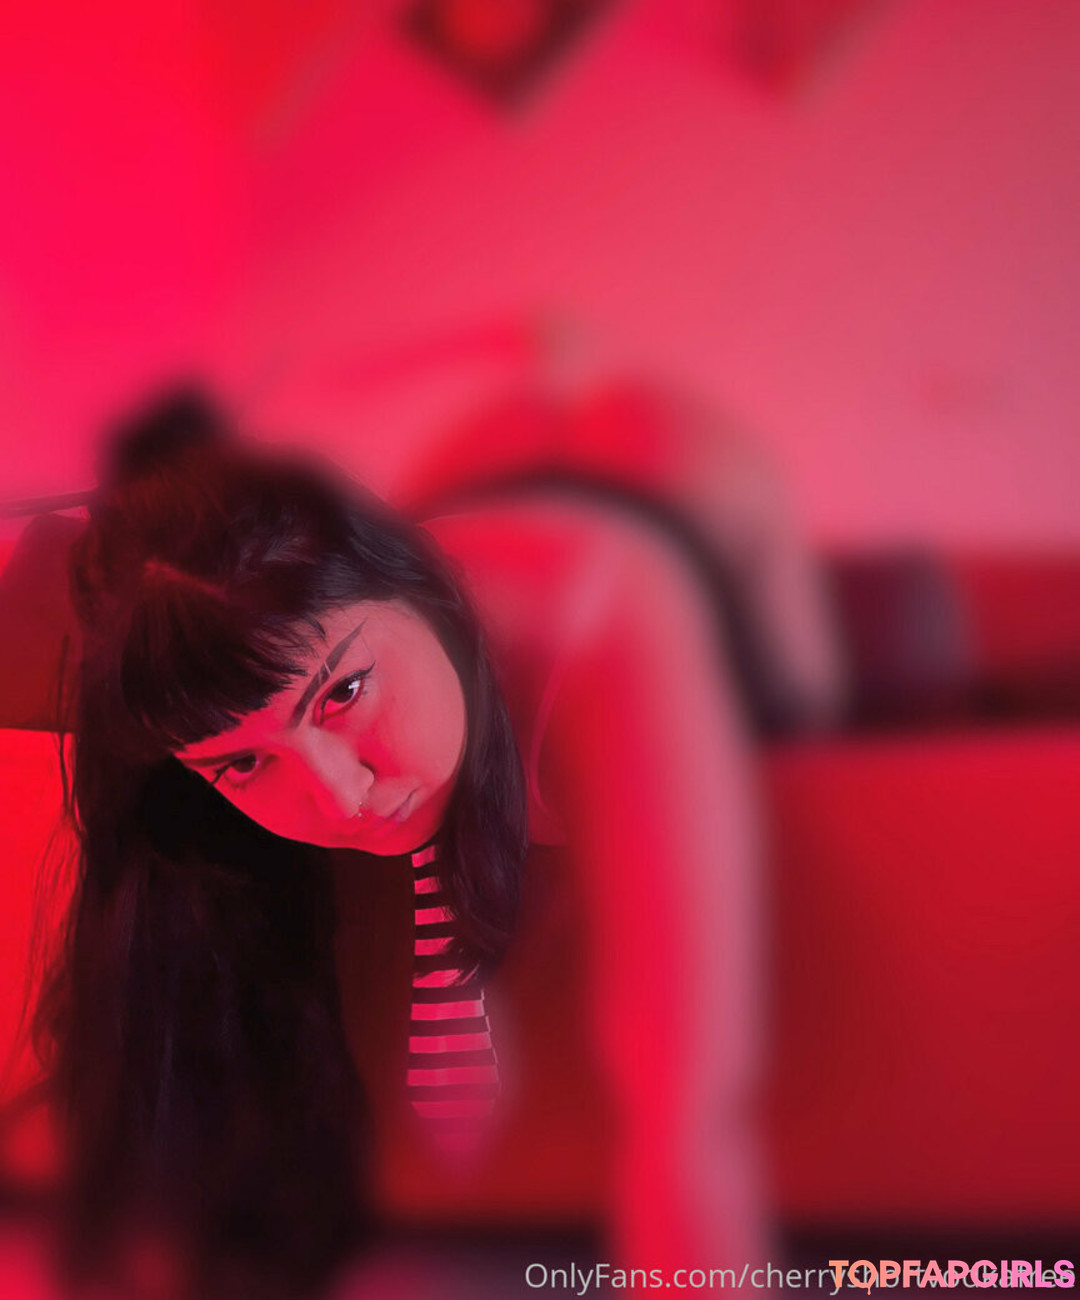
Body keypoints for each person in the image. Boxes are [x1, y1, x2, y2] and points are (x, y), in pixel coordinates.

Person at [22, 389, 772, 1298]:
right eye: (243, 764)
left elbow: (687, 1114)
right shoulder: (253, 674)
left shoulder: (601, 618)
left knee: (812, 641)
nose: (339, 798)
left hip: (673, 483)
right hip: (468, 481)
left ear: (417, 589)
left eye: (342, 695)